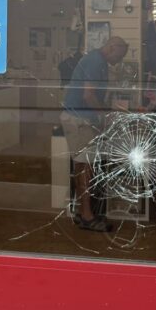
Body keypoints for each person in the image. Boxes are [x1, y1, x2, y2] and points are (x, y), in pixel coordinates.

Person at [61, 36, 129, 232]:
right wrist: (104, 116)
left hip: (80, 118)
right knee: (85, 167)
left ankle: (83, 212)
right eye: (120, 55)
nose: (120, 60)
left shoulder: (97, 60)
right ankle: (87, 216)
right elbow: (88, 94)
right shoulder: (96, 61)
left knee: (84, 166)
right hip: (78, 119)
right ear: (112, 47)